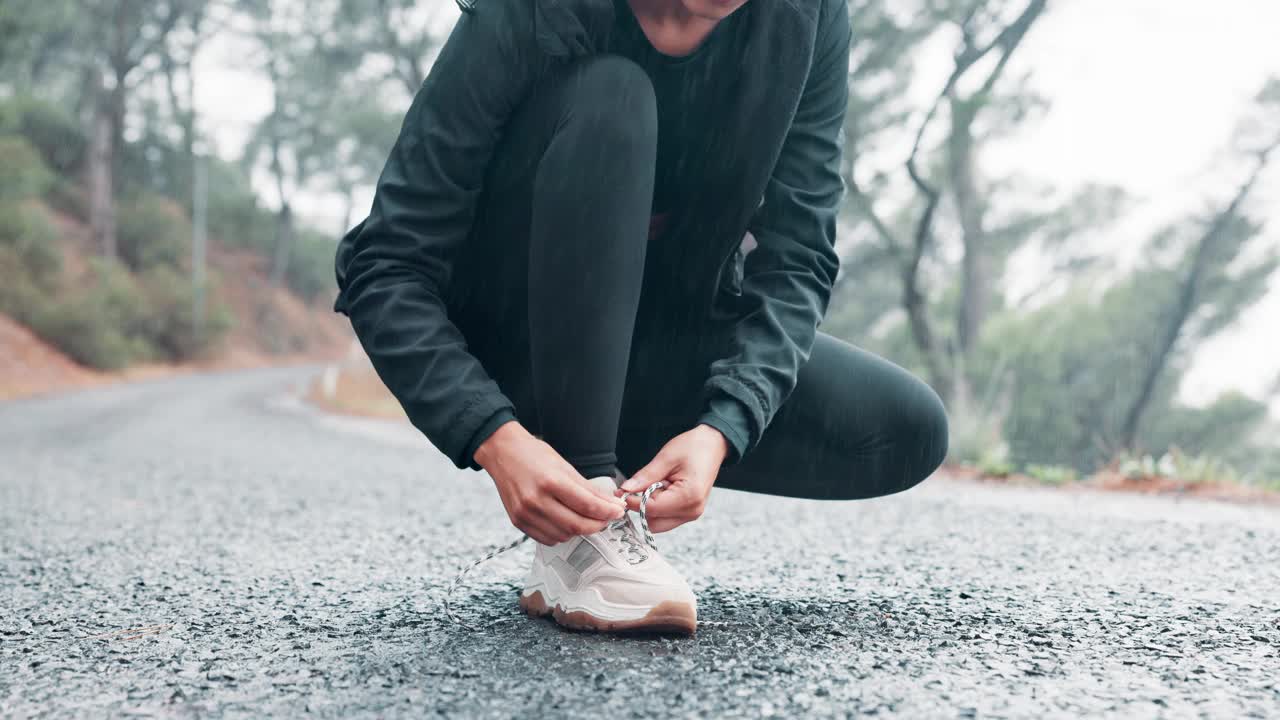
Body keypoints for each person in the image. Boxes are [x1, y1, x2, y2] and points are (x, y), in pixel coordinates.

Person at [333, 0, 949, 634]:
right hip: (515, 345)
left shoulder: (807, 16)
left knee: (904, 429)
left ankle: (603, 486)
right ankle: (584, 520)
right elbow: (387, 265)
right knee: (614, 94)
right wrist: (495, 438)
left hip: (658, 349)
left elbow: (798, 258)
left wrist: (723, 427)